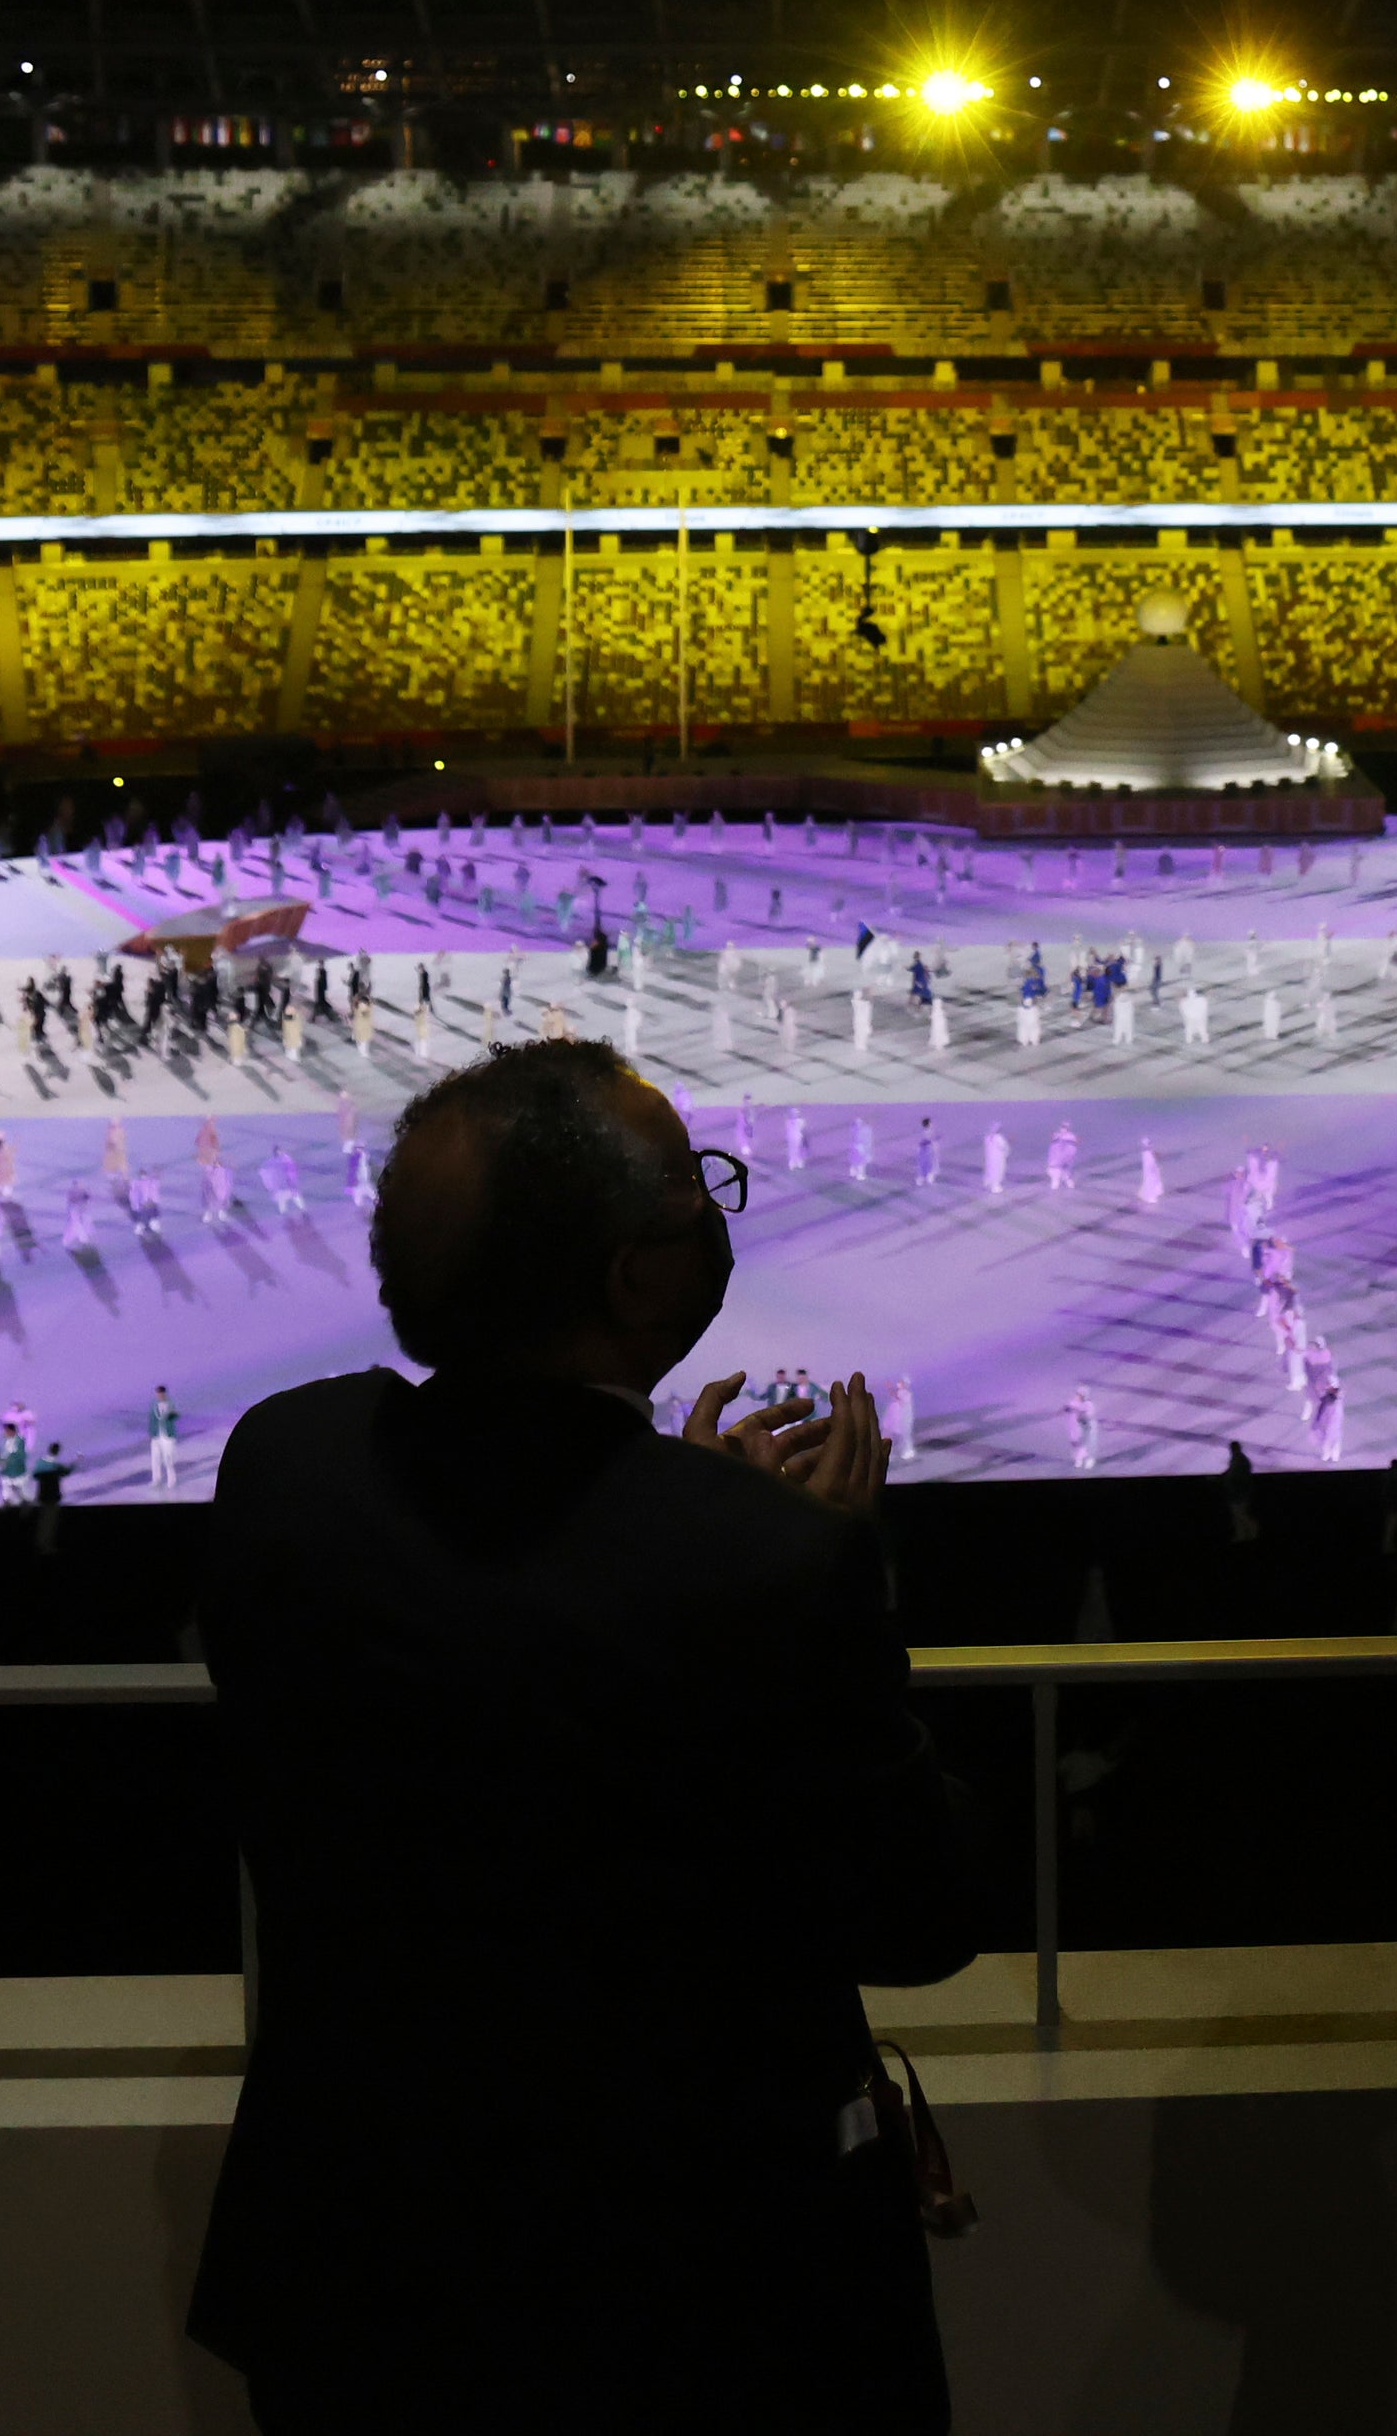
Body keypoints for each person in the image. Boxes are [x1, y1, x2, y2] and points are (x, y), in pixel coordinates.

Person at [188, 1039, 967, 2427]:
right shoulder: (765, 1572)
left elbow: (525, 1622)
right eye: (693, 1194)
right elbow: (917, 1913)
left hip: (365, 2292)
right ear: (630, 1276)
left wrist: (686, 1516)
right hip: (699, 2322)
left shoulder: (282, 1470)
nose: (713, 1214)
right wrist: (797, 1562)